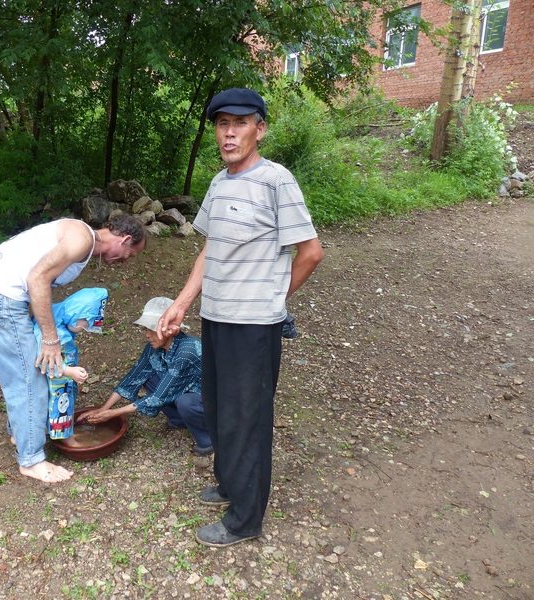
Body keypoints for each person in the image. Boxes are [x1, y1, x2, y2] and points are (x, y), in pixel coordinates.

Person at [158, 88, 324, 547]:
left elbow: (311, 253)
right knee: (219, 407)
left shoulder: (277, 181)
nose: (229, 133)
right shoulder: (219, 183)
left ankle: (246, 519)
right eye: (221, 124)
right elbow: (210, 250)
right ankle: (231, 485)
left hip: (254, 324)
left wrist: (273, 298)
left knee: (247, 417)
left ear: (260, 128)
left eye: (240, 123)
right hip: (217, 316)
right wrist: (182, 302)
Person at [0, 215, 146, 483]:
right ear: (125, 239)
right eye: (131, 253)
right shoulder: (82, 240)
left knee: (24, 373)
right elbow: (37, 279)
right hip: (1, 298)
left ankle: (21, 434)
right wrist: (50, 340)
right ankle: (31, 461)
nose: (126, 260)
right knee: (30, 379)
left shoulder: (80, 236)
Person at [79, 297, 212, 456]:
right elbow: (133, 377)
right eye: (145, 329)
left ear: (169, 329)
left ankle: (208, 440)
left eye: (152, 328)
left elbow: (160, 396)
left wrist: (113, 414)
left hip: (213, 400)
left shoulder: (187, 352)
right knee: (148, 377)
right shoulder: (154, 347)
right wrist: (104, 408)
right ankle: (180, 419)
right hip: (185, 389)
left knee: (186, 402)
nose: (147, 335)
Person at [33, 287, 109, 446]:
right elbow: (44, 360)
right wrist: (69, 371)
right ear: (77, 313)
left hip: (60, 379)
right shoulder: (52, 332)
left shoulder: (58, 322)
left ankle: (46, 431)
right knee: (60, 406)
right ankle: (65, 437)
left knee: (47, 406)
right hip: (56, 381)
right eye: (86, 323)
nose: (85, 329)